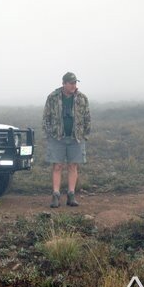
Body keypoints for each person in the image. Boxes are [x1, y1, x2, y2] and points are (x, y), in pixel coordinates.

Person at [43, 72, 91, 208]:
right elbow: (46, 117)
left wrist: (84, 135)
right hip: (57, 137)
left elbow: (87, 118)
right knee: (57, 166)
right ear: (63, 83)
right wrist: (49, 134)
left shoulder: (82, 98)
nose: (73, 85)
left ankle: (71, 195)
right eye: (71, 83)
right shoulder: (52, 97)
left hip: (76, 138)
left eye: (75, 83)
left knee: (73, 165)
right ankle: (56, 195)